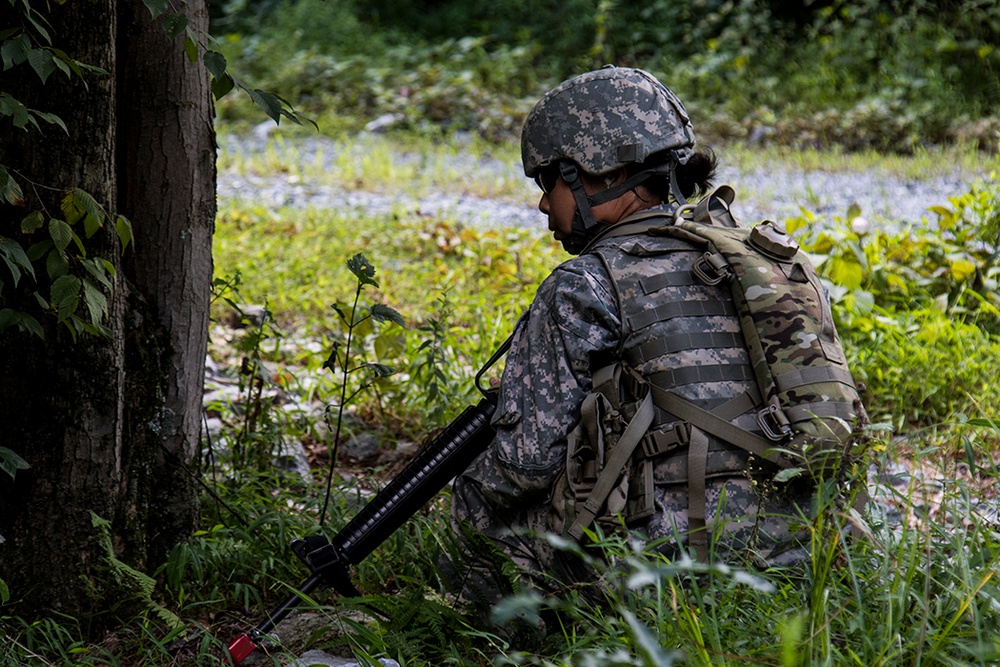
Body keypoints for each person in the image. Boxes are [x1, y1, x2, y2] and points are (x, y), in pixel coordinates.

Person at [451, 66, 819, 599]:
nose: (541, 204)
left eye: (546, 182)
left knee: (479, 502)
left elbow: (524, 464)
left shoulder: (585, 284)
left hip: (668, 576)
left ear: (593, 174)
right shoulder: (768, 263)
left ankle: (480, 639)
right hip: (803, 556)